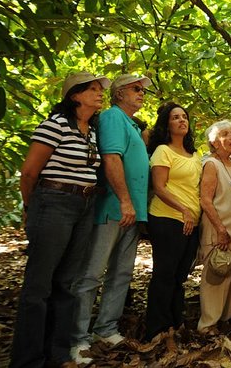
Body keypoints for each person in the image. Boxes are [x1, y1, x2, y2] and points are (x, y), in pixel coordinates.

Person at [11, 71, 110, 368]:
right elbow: (29, 173)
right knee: (39, 285)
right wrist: (33, 207)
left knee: (66, 282)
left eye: (99, 89)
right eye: (92, 89)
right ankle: (28, 360)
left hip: (84, 205)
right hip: (53, 203)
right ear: (75, 95)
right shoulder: (54, 126)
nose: (99, 93)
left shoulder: (91, 132)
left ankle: (58, 352)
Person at [70, 74, 152, 364]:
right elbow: (111, 158)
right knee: (92, 274)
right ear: (119, 94)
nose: (142, 93)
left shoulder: (132, 124)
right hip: (114, 208)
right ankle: (78, 338)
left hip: (133, 212)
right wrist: (125, 200)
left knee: (121, 274)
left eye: (143, 90)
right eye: (136, 89)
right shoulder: (113, 118)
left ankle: (105, 328)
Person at [144, 102, 202, 341]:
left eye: (184, 117)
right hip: (168, 219)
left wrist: (193, 214)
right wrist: (184, 210)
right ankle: (156, 328)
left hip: (192, 221)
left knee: (180, 276)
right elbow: (159, 188)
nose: (181, 120)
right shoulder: (162, 151)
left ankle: (175, 321)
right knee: (164, 274)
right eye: (175, 117)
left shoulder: (195, 155)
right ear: (167, 124)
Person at [197, 120, 231, 332]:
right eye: (226, 134)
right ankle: (207, 324)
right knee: (215, 277)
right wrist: (220, 229)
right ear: (214, 142)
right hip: (219, 230)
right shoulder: (211, 164)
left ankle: (224, 319)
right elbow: (205, 200)